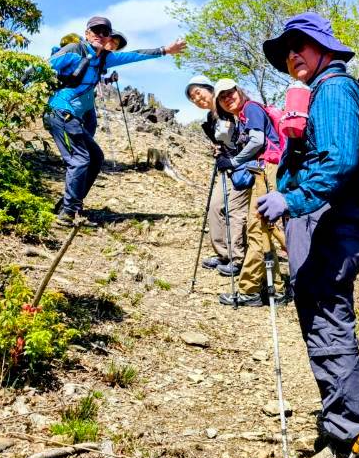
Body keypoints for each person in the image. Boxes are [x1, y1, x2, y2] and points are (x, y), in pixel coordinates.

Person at [256, 12, 359, 458]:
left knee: (328, 329)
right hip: (327, 225)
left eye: (300, 45)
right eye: (286, 50)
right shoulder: (326, 90)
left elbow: (340, 161)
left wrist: (291, 198)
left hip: (329, 227)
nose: (292, 56)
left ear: (324, 48)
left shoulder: (333, 90)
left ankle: (348, 451)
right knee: (331, 324)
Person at [46, 16, 185, 226]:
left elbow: (134, 55)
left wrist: (165, 50)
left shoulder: (105, 59)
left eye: (105, 32)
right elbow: (44, 67)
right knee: (81, 159)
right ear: (87, 33)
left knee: (95, 157)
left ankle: (69, 204)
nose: (100, 36)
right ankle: (67, 213)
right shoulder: (75, 49)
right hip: (60, 111)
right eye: (96, 31)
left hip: (75, 114)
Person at [212, 79, 288, 307]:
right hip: (264, 171)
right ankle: (277, 288)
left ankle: (250, 290)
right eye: (222, 97)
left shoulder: (251, 108)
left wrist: (233, 161)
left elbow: (258, 141)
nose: (228, 98)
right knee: (264, 229)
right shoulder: (244, 116)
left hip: (268, 170)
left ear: (239, 91)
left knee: (259, 228)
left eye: (230, 92)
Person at [185, 74, 248, 276]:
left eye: (197, 92)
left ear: (208, 88)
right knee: (214, 207)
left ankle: (238, 259)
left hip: (244, 166)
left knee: (235, 212)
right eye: (192, 99)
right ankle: (223, 254)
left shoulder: (230, 107)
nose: (197, 99)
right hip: (226, 166)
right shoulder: (210, 118)